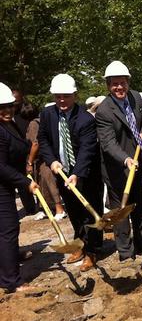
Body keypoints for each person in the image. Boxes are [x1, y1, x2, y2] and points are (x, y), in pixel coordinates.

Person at [38, 74, 104, 271]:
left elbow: (87, 149)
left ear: (74, 95)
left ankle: (92, 251)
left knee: (91, 213)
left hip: (87, 174)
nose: (62, 100)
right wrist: (51, 161)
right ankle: (80, 244)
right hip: (62, 172)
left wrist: (78, 173)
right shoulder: (48, 114)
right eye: (58, 96)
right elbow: (43, 139)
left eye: (66, 96)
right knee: (74, 212)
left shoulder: (85, 119)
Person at [95, 61, 142, 262]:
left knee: (140, 208)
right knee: (120, 213)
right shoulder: (104, 110)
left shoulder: (136, 97)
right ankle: (126, 254)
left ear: (128, 82)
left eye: (122, 83)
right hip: (116, 168)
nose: (119, 87)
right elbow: (108, 143)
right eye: (114, 84)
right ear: (108, 86)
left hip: (138, 162)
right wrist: (125, 159)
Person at [0, 82, 38, 292]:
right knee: (7, 228)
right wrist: (25, 182)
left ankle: (11, 258)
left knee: (8, 226)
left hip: (7, 183)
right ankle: (11, 279)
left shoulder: (9, 124)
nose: (7, 111)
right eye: (2, 108)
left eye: (9, 106)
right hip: (2, 185)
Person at [24, 102, 67, 221]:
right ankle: (45, 209)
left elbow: (35, 144)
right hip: (43, 159)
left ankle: (59, 209)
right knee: (41, 184)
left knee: (49, 183)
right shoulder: (43, 121)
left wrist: (30, 162)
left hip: (43, 159)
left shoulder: (34, 123)